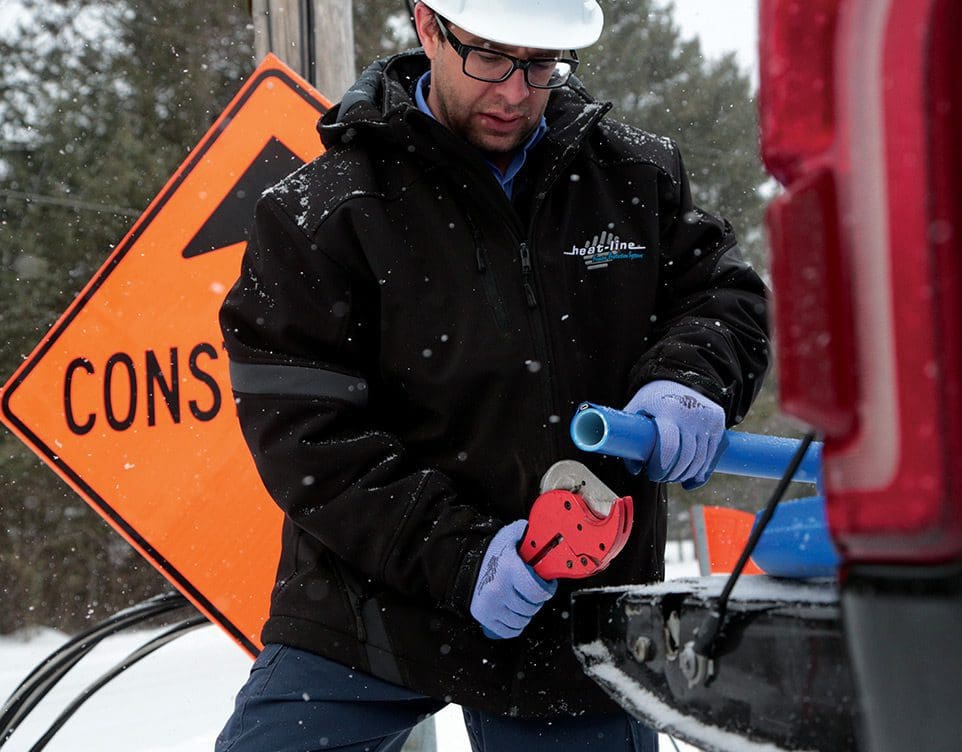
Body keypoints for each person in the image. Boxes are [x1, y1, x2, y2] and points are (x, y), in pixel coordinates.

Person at [215, 0, 769, 749]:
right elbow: (304, 431)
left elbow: (721, 297)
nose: (514, 91)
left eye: (541, 64)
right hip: (370, 603)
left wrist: (691, 378)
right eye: (489, 57)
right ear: (427, 27)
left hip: (577, 612)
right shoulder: (323, 210)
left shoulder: (633, 175)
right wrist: (463, 558)